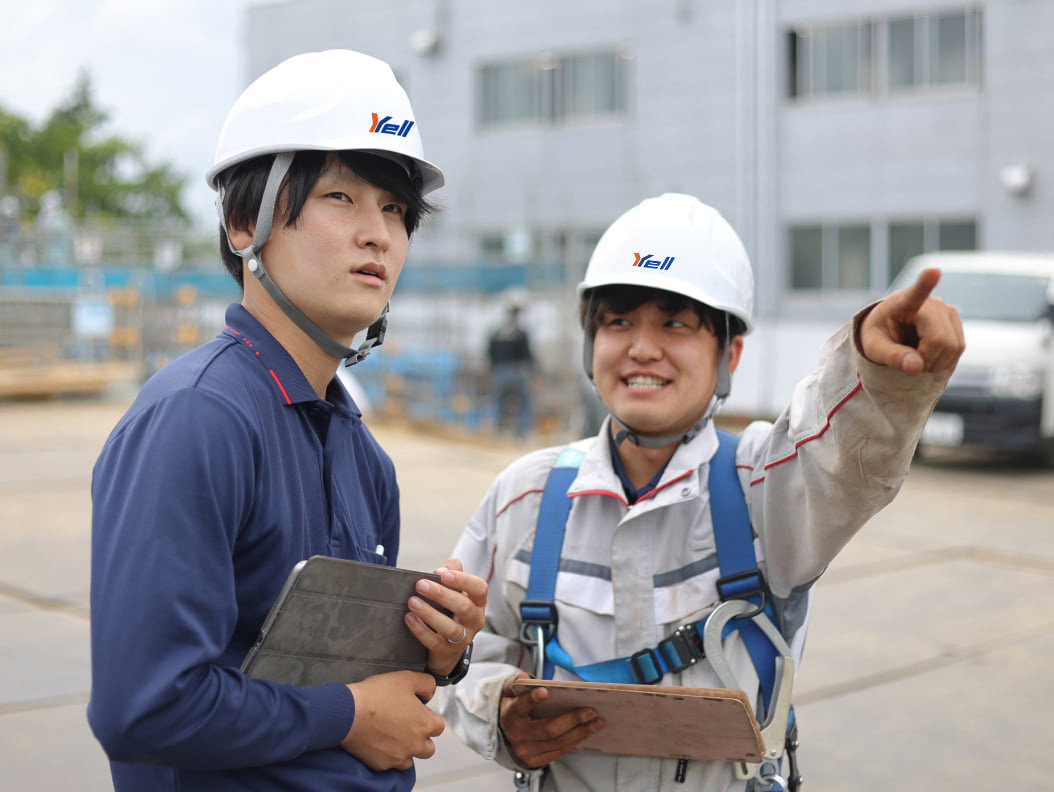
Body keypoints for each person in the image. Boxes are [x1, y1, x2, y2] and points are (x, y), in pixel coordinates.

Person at [435, 193, 963, 790]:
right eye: (618, 321)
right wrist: (498, 713)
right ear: (590, 343)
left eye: (675, 323)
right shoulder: (524, 496)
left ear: (728, 354)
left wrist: (877, 369)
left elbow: (842, 448)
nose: (642, 347)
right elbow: (458, 652)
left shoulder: (765, 486)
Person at [88, 50, 487, 792]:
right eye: (342, 197)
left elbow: (338, 674)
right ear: (244, 223)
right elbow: (142, 708)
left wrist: (437, 649)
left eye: (395, 210)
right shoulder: (198, 419)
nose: (379, 234)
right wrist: (347, 716)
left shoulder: (361, 452)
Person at [487, 294, 535, 439]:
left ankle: (496, 431)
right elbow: (527, 354)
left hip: (500, 371)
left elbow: (490, 353)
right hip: (517, 371)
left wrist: (493, 368)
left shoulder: (497, 332)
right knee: (524, 402)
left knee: (498, 401)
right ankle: (521, 434)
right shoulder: (521, 333)